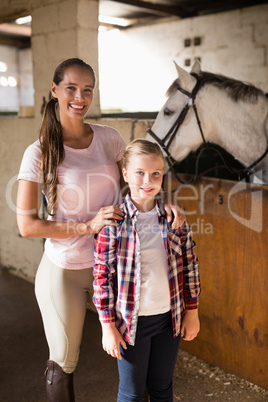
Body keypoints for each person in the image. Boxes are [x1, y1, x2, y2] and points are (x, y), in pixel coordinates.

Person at [16, 58, 185, 401]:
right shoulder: (39, 153)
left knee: (131, 359)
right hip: (67, 268)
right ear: (55, 91)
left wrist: (164, 203)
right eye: (71, 89)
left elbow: (137, 180)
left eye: (87, 90)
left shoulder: (109, 139)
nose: (80, 97)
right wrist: (88, 225)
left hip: (115, 266)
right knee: (64, 359)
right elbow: (27, 225)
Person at [93, 139, 201, 402]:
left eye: (155, 173)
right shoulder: (113, 223)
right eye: (140, 172)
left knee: (162, 388)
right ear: (126, 174)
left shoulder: (174, 219)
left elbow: (190, 265)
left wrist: (192, 312)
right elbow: (101, 277)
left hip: (168, 319)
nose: (147, 180)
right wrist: (107, 326)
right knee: (131, 392)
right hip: (131, 323)